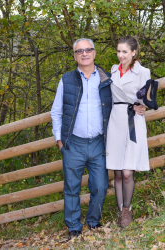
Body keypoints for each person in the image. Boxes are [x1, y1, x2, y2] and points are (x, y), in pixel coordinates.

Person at [51, 38, 146, 239]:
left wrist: (141, 105)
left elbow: (125, 95)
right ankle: (74, 227)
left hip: (98, 142)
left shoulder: (106, 77)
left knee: (101, 185)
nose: (84, 53)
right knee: (71, 187)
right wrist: (60, 139)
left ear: (94, 53)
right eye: (79, 51)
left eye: (88, 50)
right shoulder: (66, 79)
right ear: (75, 55)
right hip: (73, 142)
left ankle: (93, 221)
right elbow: (56, 111)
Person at [106, 36, 150, 228]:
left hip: (133, 120)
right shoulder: (113, 70)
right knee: (116, 172)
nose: (121, 55)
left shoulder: (143, 72)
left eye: (125, 51)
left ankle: (127, 209)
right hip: (115, 120)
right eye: (118, 51)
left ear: (133, 52)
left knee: (126, 173)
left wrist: (145, 107)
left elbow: (148, 97)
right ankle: (120, 212)